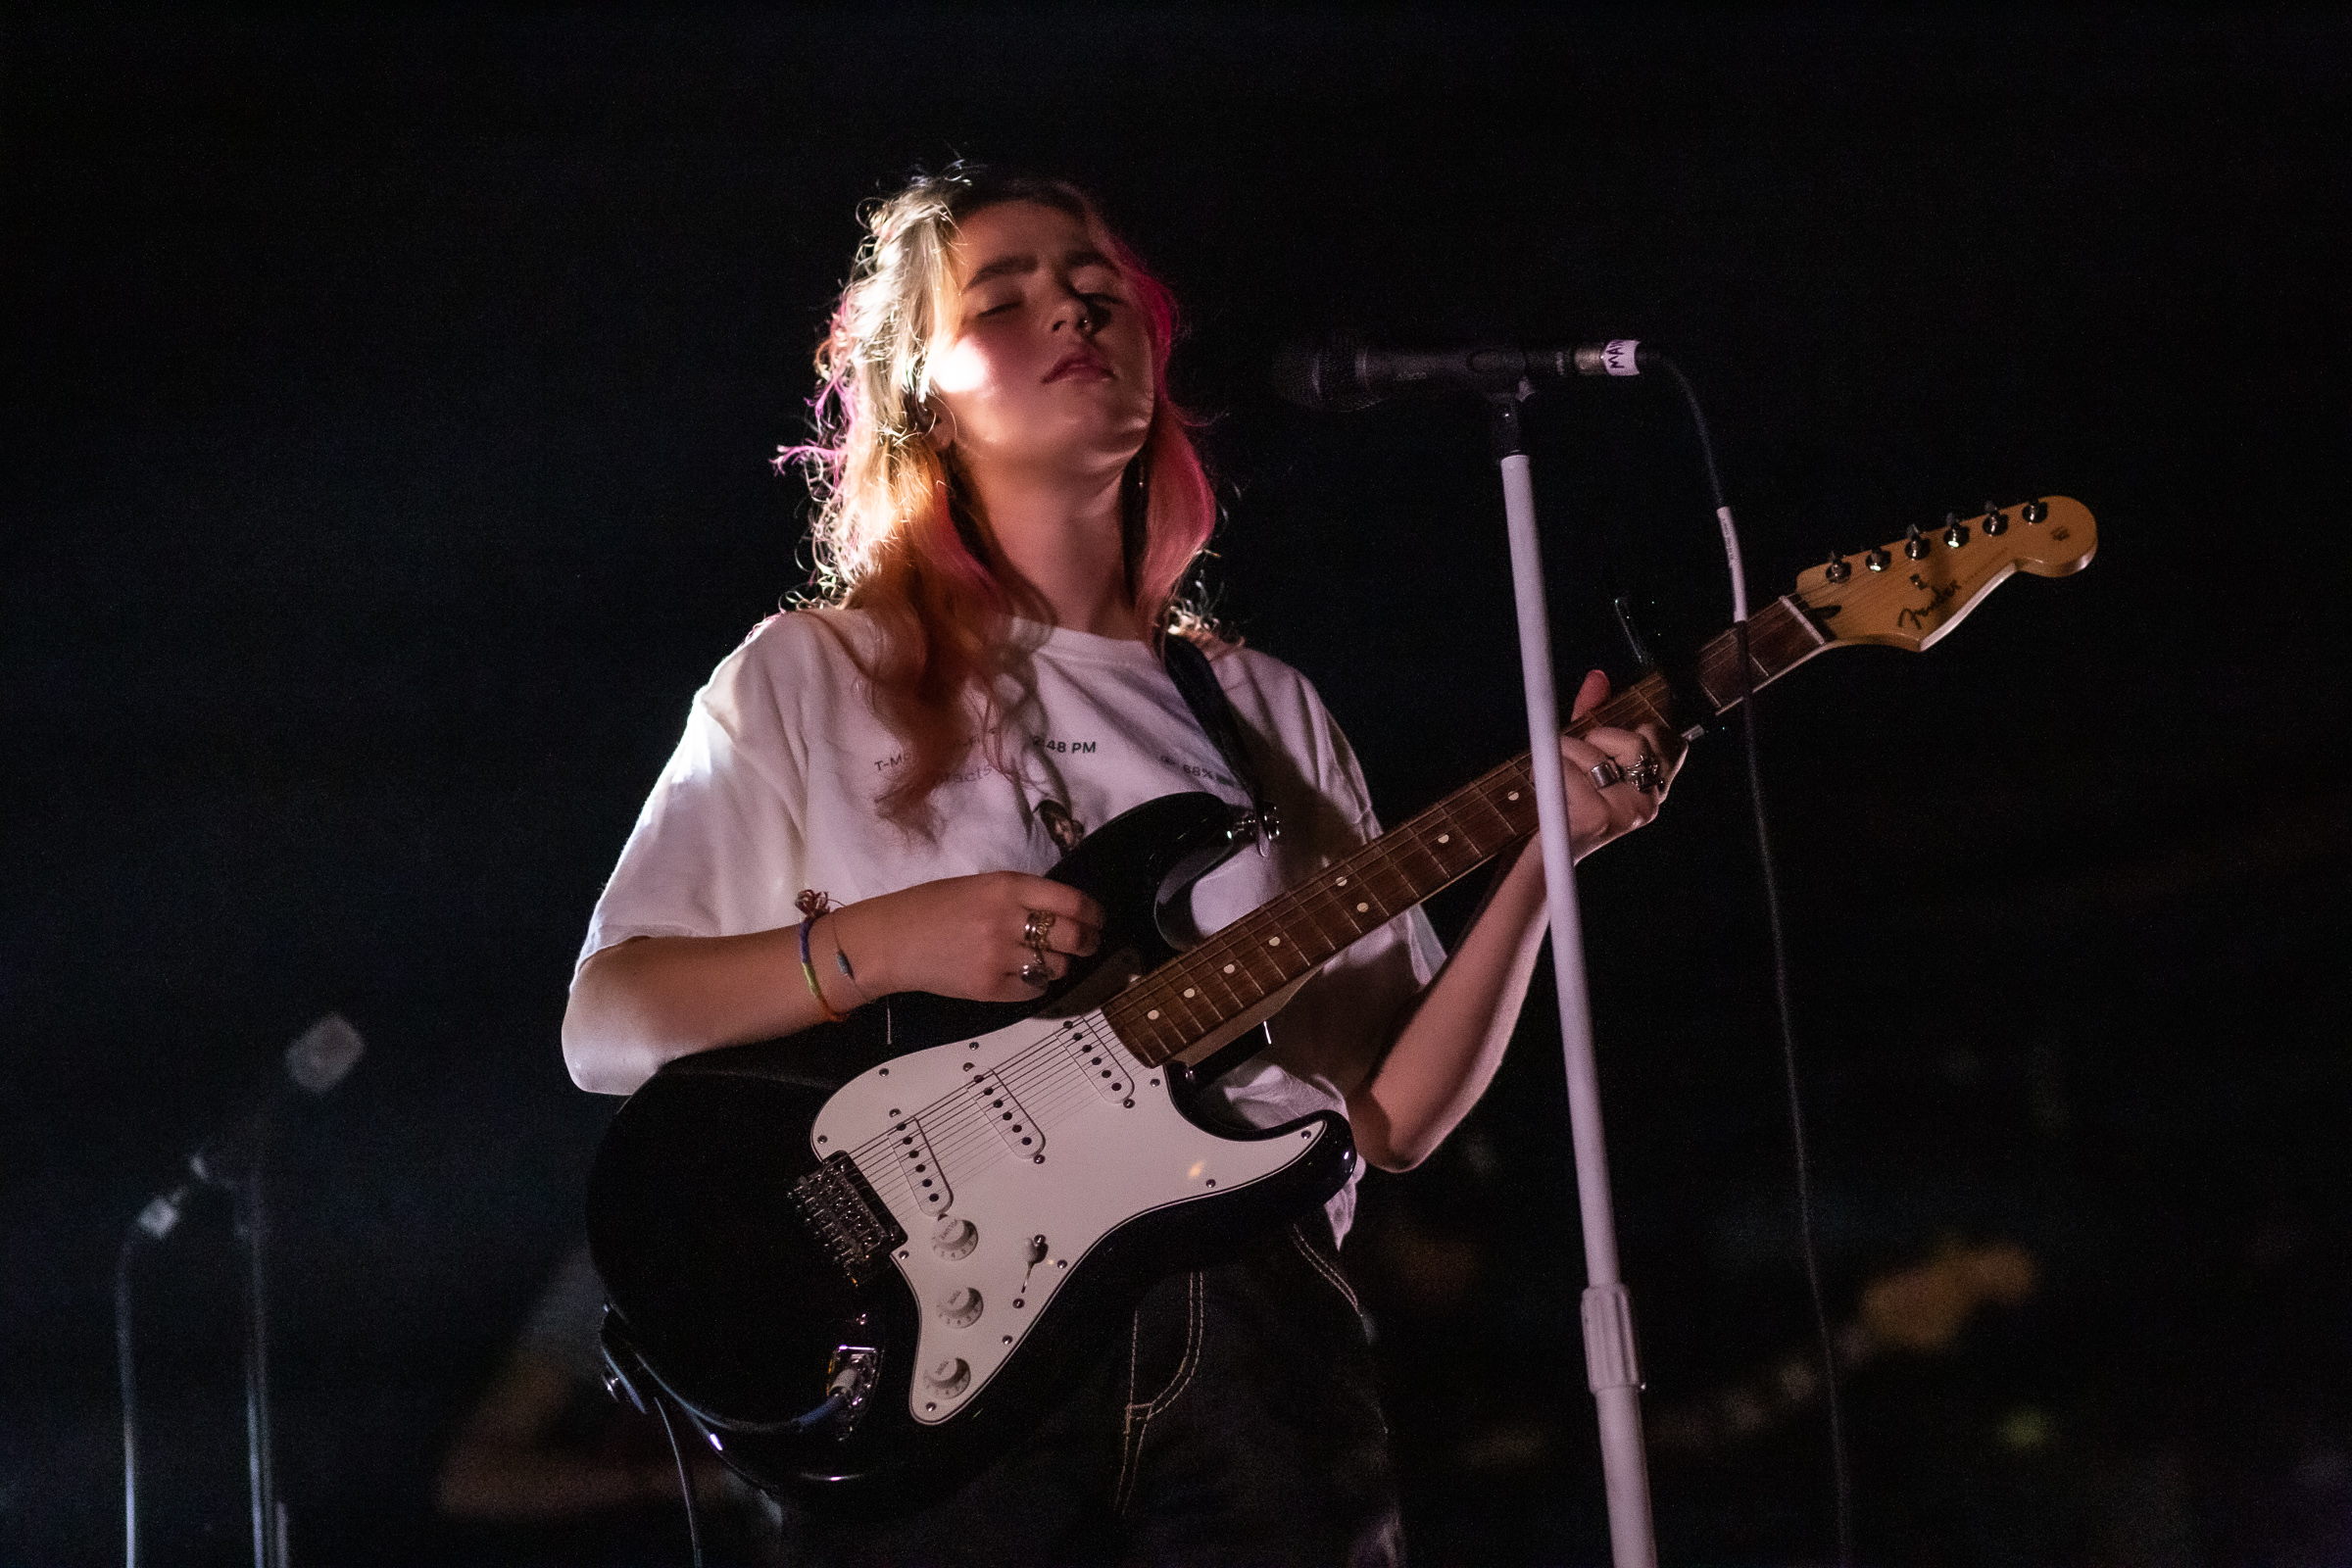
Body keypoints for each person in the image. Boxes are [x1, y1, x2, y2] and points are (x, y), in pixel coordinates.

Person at [561, 168, 1683, 1566]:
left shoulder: (1262, 708)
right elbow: (608, 1023)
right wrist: (889, 944)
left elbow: (1387, 1115)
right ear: (921, 394)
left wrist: (1546, 859)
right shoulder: (809, 675)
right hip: (949, 1369)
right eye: (1003, 299)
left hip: (1260, 1353)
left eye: (1097, 287)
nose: (1071, 310)